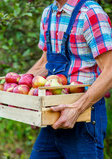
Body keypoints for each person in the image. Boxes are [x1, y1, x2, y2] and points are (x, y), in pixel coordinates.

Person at [26, 0, 112, 158]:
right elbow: (45, 62)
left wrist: (77, 109)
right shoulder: (48, 14)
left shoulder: (90, 14)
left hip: (85, 116)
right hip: (53, 115)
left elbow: (110, 70)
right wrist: (19, 85)